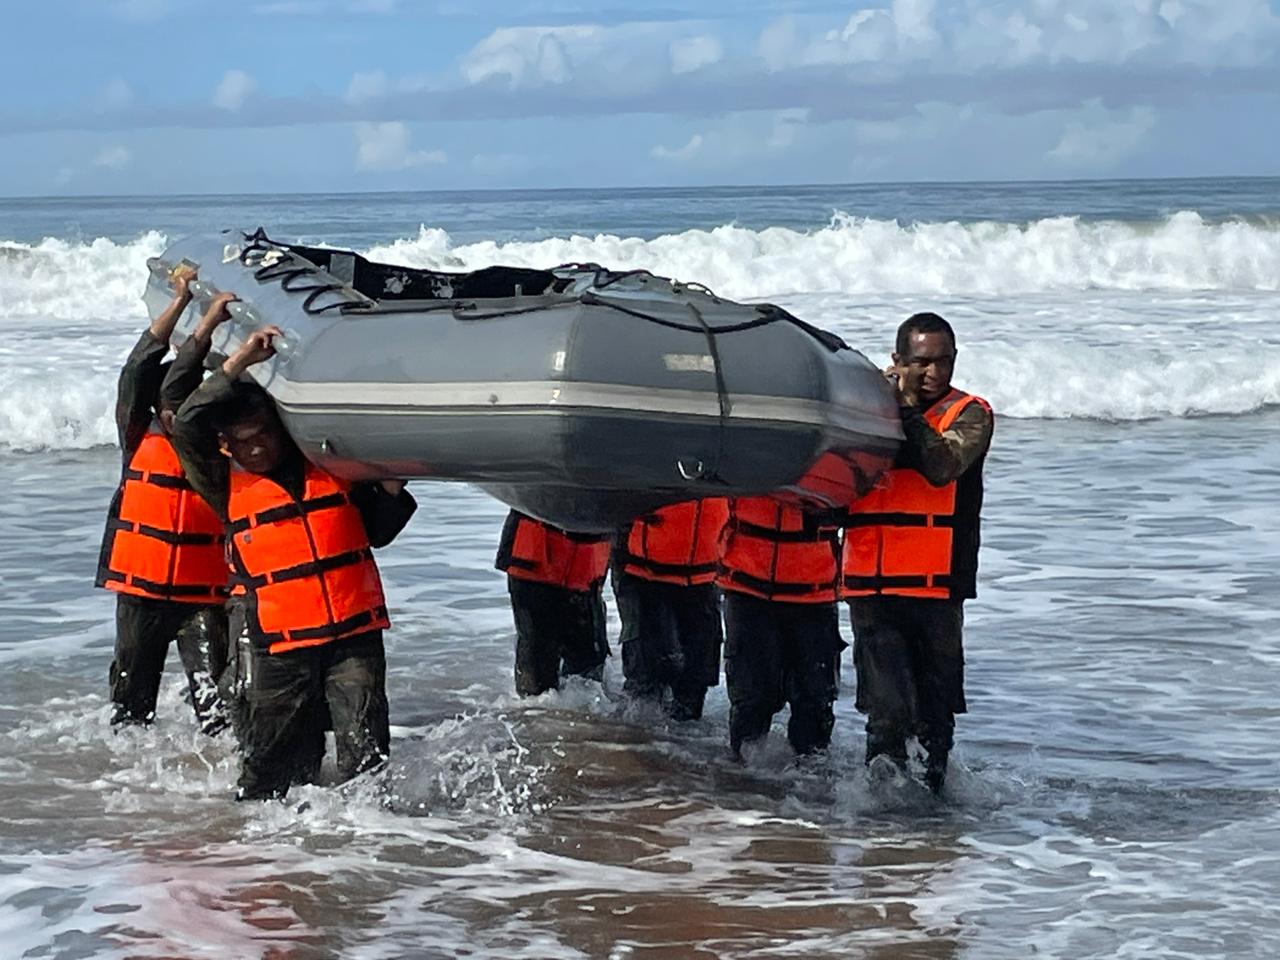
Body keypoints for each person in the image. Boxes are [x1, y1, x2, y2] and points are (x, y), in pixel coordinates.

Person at [164, 309, 416, 801]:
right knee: (272, 765)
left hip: (353, 636)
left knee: (366, 752)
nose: (256, 449)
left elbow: (374, 535)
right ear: (225, 445)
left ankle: (367, 848)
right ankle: (267, 852)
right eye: (243, 443)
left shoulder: (330, 463)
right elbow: (189, 419)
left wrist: (390, 487)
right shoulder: (222, 483)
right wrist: (239, 360)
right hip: (280, 645)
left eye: (263, 436)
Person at [842, 311, 994, 795]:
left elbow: (941, 464)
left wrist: (904, 409)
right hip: (873, 585)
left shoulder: (970, 414)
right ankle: (881, 816)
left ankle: (931, 812)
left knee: (934, 717)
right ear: (897, 361)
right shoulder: (864, 411)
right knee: (887, 713)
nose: (933, 374)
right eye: (921, 363)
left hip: (936, 587)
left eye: (943, 363)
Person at [95, 267, 230, 734]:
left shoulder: (224, 450)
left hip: (204, 597)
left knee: (219, 711)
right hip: (142, 592)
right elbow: (136, 369)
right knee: (131, 710)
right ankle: (131, 790)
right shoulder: (138, 435)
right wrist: (181, 302)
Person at [717, 495, 845, 758]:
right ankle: (737, 786)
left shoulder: (839, 453)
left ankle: (810, 790)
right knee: (751, 700)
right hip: (747, 585)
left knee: (815, 705)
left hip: (815, 591)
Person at [612, 498, 728, 720]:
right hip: (644, 571)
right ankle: (634, 744)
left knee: (695, 679)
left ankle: (677, 748)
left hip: (705, 575)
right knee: (645, 678)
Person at [494, 511, 610, 696]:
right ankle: (533, 720)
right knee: (537, 680)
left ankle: (575, 720)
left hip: (586, 569)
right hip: (534, 563)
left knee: (589, 672)